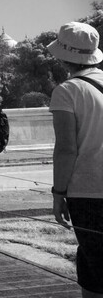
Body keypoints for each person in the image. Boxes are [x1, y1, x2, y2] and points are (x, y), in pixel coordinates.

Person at [47, 22, 103, 298]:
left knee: (94, 268)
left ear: (63, 57)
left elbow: (66, 149)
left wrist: (58, 193)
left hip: (89, 191)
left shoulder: (66, 91)